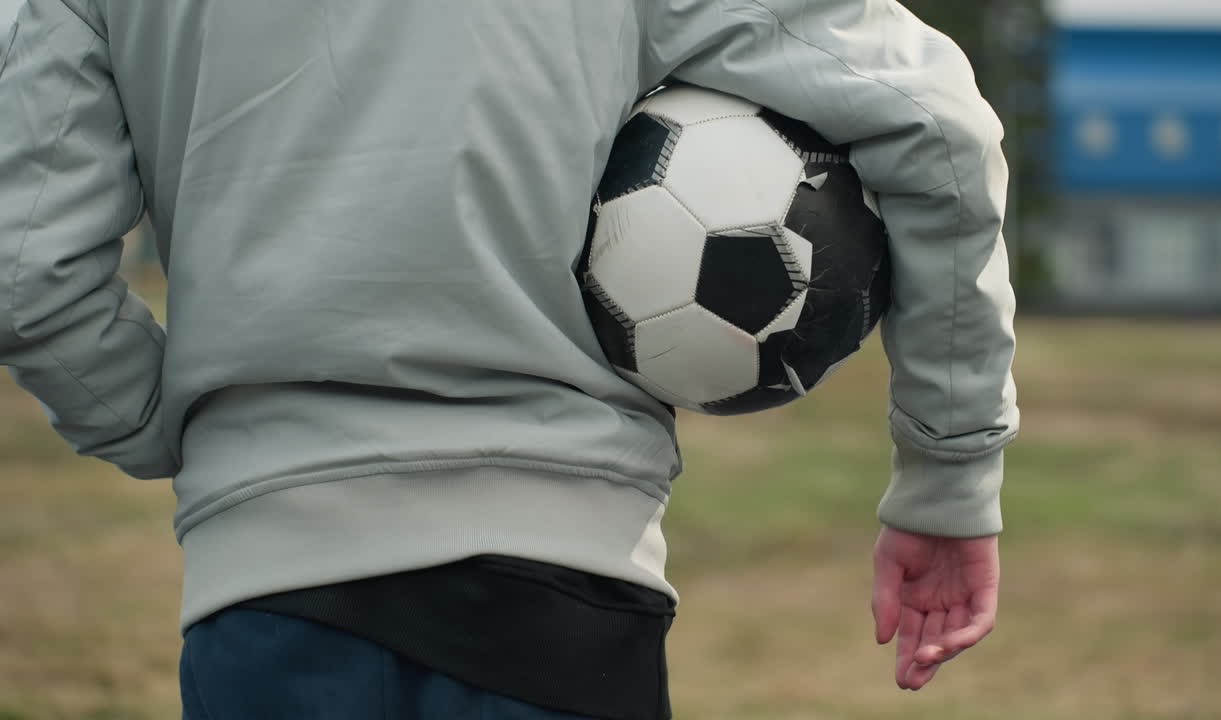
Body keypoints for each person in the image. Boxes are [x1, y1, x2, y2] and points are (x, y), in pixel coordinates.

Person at [0, 0, 1017, 717]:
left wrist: (169, 432)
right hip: (560, 601)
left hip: (259, 606)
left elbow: (24, 261)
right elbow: (935, 132)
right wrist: (947, 475)